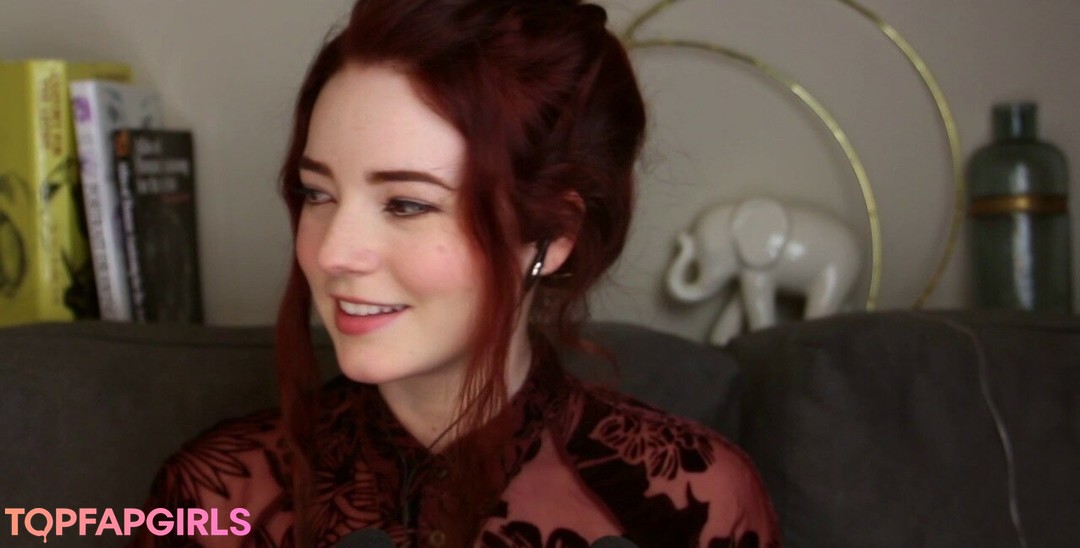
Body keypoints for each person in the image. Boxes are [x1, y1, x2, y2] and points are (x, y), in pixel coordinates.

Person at [135, 0, 779, 546]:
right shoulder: (212, 498)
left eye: (407, 204)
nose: (332, 253)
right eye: (317, 193)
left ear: (554, 234)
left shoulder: (694, 499)